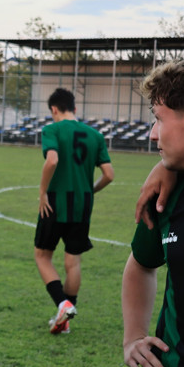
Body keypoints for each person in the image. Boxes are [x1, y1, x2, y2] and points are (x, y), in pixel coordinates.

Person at [123, 58, 184, 367]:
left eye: (159, 118)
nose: (152, 134)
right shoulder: (166, 195)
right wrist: (133, 336)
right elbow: (140, 264)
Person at [34, 88, 114, 334]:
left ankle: (63, 304)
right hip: (83, 204)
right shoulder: (95, 135)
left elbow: (52, 160)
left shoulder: (52, 130)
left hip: (55, 201)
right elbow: (109, 175)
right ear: (75, 109)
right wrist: (89, 191)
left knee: (42, 255)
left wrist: (43, 192)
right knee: (73, 261)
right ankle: (65, 319)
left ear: (54, 110)